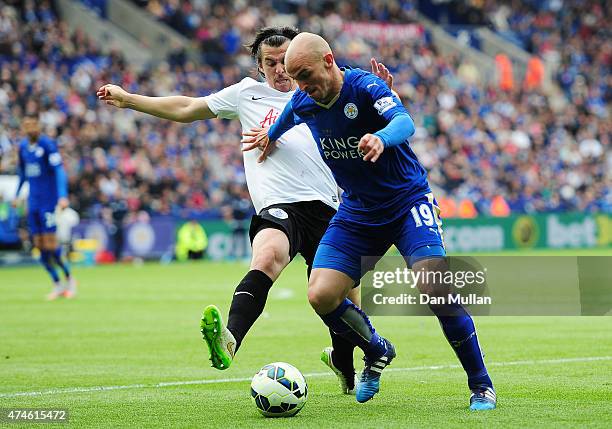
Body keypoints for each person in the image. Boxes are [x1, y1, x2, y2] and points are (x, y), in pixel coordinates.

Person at [97, 26, 394, 394]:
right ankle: (230, 339)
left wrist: (383, 96)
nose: (279, 70)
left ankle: (343, 364)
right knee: (267, 256)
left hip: (332, 208)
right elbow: (188, 107)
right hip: (279, 205)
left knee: (343, 301)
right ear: (259, 66)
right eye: (270, 63)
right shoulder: (246, 94)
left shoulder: (321, 90)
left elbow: (368, 123)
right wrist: (129, 100)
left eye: (284, 62)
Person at [242, 32, 496, 410]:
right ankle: (376, 348)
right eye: (295, 79)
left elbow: (405, 123)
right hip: (358, 211)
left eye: (306, 74)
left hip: (407, 202)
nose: (302, 86)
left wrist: (381, 137)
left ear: (328, 61)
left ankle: (481, 384)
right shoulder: (304, 99)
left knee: (434, 286)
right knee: (321, 294)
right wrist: (269, 135)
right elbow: (289, 115)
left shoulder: (364, 86)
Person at [13, 115, 77, 300]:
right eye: (27, 125)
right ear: (24, 129)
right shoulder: (23, 148)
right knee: (39, 246)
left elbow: (59, 170)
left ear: (38, 127)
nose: (30, 128)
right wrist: (18, 194)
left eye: (33, 124)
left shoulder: (47, 145)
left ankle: (69, 278)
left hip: (48, 202)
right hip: (33, 202)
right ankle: (56, 283)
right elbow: (23, 173)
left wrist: (62, 196)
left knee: (51, 244)